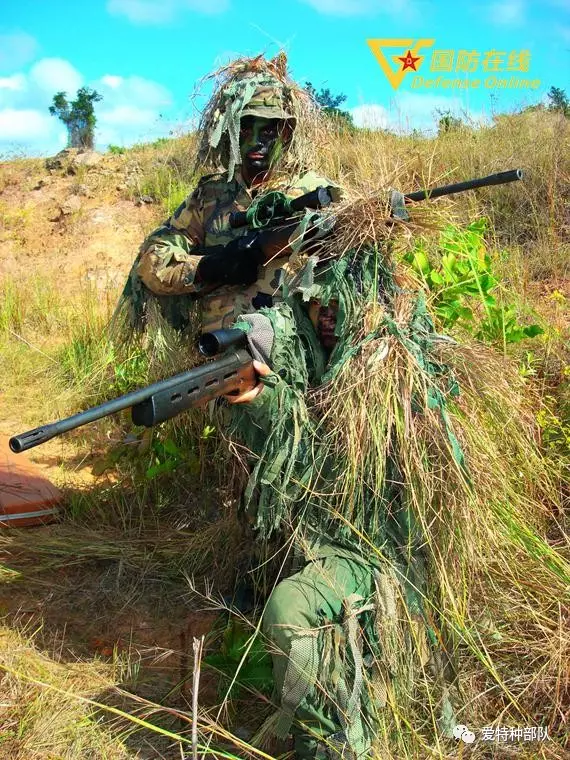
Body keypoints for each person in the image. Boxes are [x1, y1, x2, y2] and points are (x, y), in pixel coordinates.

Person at [222, 250, 461, 759]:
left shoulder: (389, 374)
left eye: (339, 306)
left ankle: (333, 740)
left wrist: (264, 402)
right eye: (317, 306)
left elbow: (325, 462)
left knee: (291, 608)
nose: (327, 317)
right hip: (326, 538)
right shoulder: (311, 355)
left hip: (378, 550)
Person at [116, 53, 340, 337]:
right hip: (216, 354)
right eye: (246, 127)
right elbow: (151, 260)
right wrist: (210, 267)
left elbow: (349, 261)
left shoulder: (314, 191)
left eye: (268, 129)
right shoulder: (209, 196)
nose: (256, 140)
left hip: (288, 354)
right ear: (231, 131)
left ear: (286, 133)